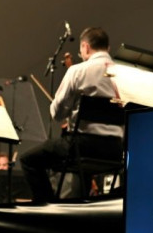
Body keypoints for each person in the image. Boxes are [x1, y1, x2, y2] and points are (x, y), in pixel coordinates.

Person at [20, 27, 123, 202]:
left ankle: (46, 208)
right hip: (115, 149)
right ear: (108, 48)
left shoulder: (78, 71)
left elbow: (57, 113)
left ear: (85, 47)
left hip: (82, 146)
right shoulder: (124, 74)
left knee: (28, 160)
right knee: (81, 168)